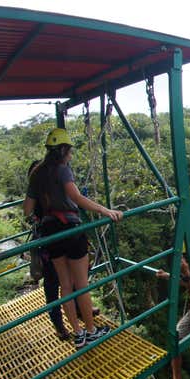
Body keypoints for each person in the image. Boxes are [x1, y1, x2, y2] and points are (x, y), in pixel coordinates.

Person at [23, 128, 123, 349]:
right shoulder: (62, 170)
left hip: (50, 233)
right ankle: (91, 331)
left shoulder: (37, 173)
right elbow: (76, 197)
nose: (70, 155)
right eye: (69, 151)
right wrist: (105, 211)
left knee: (65, 286)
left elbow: (27, 210)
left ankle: (78, 334)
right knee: (81, 285)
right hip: (70, 231)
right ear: (63, 150)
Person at [27, 160, 98, 341]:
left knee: (64, 285)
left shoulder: (38, 193)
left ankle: (75, 326)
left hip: (49, 240)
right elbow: (76, 202)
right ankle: (74, 327)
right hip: (62, 236)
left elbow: (28, 212)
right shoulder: (54, 189)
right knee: (67, 284)